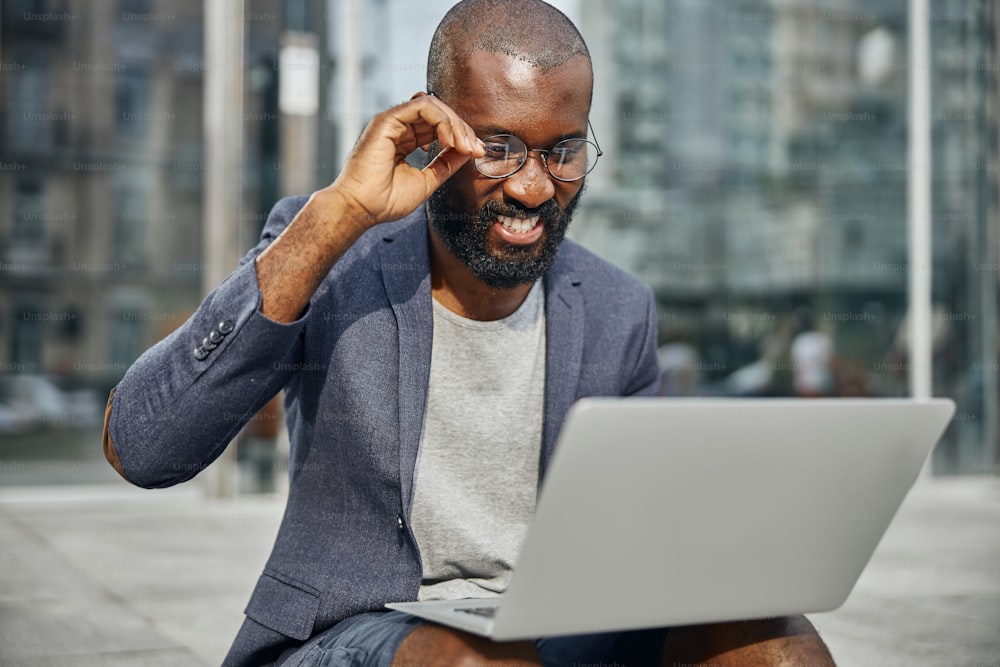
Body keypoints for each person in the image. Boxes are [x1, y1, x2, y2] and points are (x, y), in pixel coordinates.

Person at [102, 1, 836, 664]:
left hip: (556, 629)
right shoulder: (332, 256)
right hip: (353, 632)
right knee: (476, 662)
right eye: (499, 147)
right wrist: (337, 215)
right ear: (432, 134)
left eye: (562, 150)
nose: (533, 187)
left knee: (779, 644)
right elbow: (142, 447)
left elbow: (632, 537)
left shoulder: (620, 308)